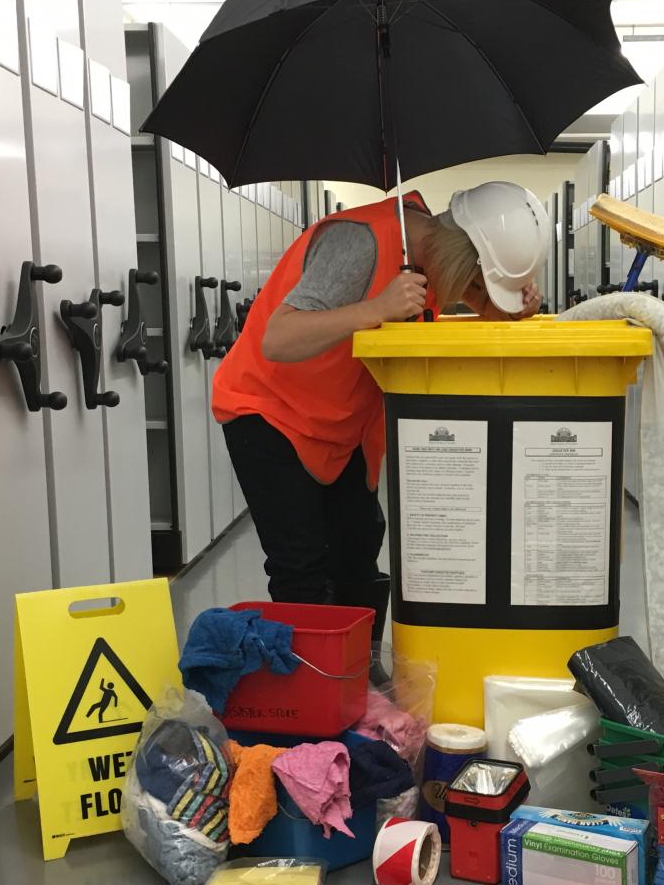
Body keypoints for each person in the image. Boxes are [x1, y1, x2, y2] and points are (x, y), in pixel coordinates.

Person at [211, 181, 550, 643]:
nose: (472, 297)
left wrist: (513, 312)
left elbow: (469, 316)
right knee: (302, 563)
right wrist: (377, 308)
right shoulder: (360, 241)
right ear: (458, 257)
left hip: (341, 424)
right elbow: (278, 338)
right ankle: (318, 692)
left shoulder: (425, 256)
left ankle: (359, 680)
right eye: (475, 284)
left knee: (359, 549)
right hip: (269, 413)